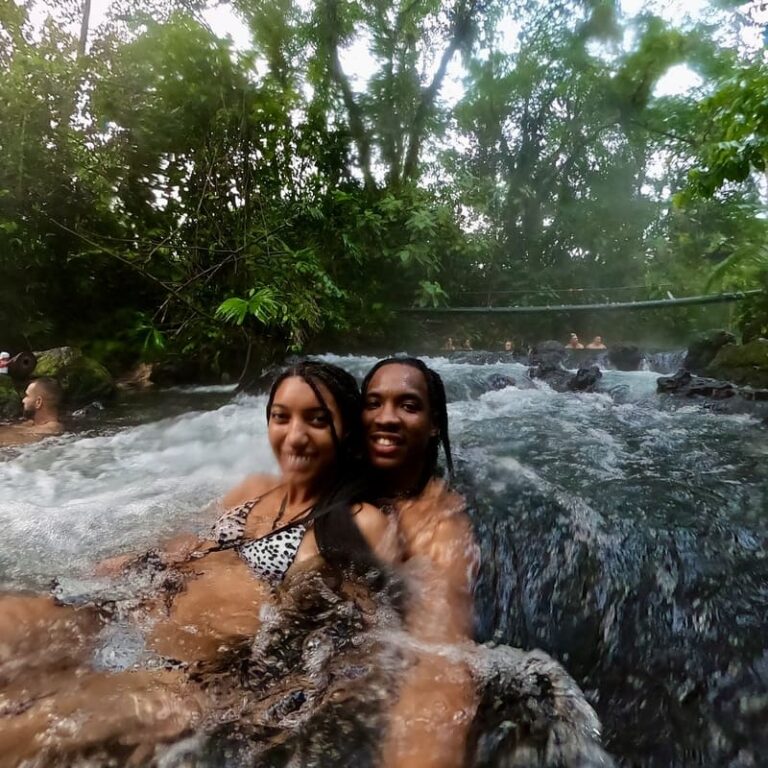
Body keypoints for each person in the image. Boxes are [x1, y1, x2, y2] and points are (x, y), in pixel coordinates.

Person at [0, 361, 400, 764]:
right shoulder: (255, 490)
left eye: (316, 420)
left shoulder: (356, 519)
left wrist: (286, 708)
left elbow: (370, 633)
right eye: (281, 417)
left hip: (189, 679)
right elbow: (190, 546)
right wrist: (135, 561)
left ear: (346, 428)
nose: (295, 436)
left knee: (30, 727)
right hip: (124, 613)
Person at [361, 357, 479, 768]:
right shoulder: (332, 487)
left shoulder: (439, 526)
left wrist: (423, 748)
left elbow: (439, 650)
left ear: (433, 425)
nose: (386, 418)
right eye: (373, 403)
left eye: (408, 406)